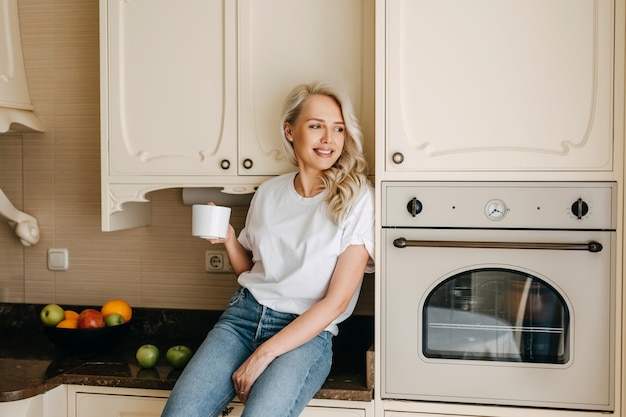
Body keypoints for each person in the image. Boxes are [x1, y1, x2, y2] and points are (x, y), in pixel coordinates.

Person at [161, 81, 375, 417]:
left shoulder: (357, 197)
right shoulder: (269, 193)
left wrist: (263, 355)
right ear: (290, 131)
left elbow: (337, 303)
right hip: (242, 320)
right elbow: (250, 273)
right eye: (316, 126)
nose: (328, 139)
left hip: (306, 334)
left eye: (338, 129)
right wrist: (231, 239)